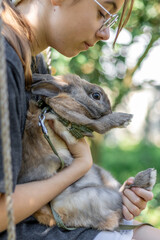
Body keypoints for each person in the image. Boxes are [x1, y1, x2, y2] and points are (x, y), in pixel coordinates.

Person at [0, 0, 159, 239]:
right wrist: (78, 167)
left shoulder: (34, 63)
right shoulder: (5, 62)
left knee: (147, 234)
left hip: (38, 216)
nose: (105, 33)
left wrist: (106, 194)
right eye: (102, 12)